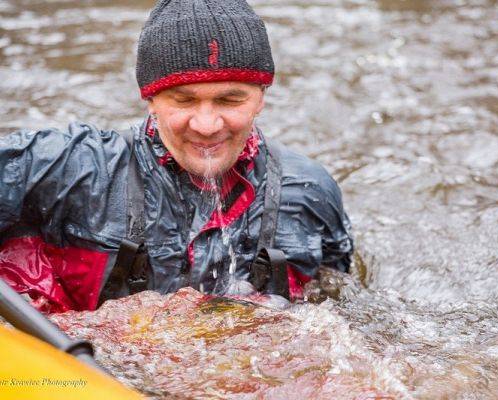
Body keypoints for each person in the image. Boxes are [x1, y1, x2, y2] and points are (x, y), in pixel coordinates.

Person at [0, 0, 353, 313]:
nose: (206, 124)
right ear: (149, 99)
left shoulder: (310, 192)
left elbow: (340, 299)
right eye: (183, 100)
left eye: (231, 101)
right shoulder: (65, 167)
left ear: (261, 97)